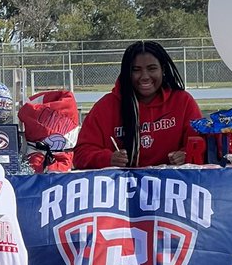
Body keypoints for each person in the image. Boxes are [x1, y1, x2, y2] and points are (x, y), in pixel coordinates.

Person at [74, 41, 202, 169]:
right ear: (127, 73)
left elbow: (202, 144)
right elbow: (81, 154)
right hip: (123, 186)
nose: (145, 76)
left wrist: (187, 155)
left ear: (162, 69)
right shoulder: (106, 107)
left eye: (152, 68)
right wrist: (108, 159)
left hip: (172, 185)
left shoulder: (183, 102)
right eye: (136, 70)